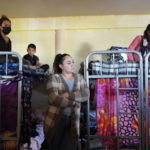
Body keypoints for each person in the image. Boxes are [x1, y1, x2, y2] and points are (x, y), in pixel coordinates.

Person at [43, 53, 89, 150]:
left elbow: (86, 94)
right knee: (54, 146)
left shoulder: (79, 78)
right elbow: (53, 98)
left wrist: (68, 95)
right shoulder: (54, 78)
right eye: (69, 63)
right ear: (61, 66)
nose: (72, 65)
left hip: (73, 120)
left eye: (73, 62)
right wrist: (72, 102)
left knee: (70, 146)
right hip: (55, 120)